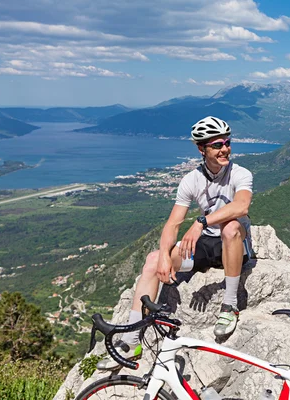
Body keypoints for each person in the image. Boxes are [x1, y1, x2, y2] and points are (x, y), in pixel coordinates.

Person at [97, 116, 253, 370]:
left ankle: (230, 305)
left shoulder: (240, 173)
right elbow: (172, 224)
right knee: (151, 261)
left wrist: (202, 221)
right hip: (205, 246)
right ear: (202, 149)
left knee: (232, 228)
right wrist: (164, 259)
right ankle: (132, 339)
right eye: (217, 145)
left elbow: (241, 205)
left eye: (227, 142)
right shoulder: (191, 179)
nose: (225, 148)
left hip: (233, 245)